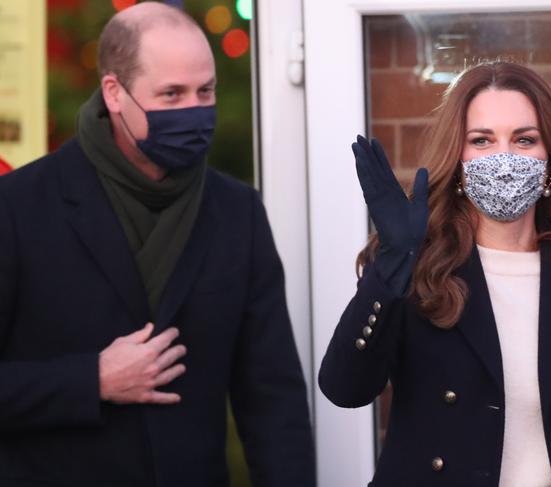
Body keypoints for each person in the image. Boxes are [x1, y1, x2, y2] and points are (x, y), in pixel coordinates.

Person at [0, 3, 315, 486]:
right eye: (171, 95)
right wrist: (92, 381)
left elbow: (273, 402)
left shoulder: (236, 213)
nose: (193, 110)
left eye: (204, 91)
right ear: (114, 93)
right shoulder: (19, 207)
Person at [319, 61, 551, 486]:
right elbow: (345, 388)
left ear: (550, 160)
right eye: (482, 140)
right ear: (458, 158)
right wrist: (393, 266)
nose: (505, 159)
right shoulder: (418, 267)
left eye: (524, 139)